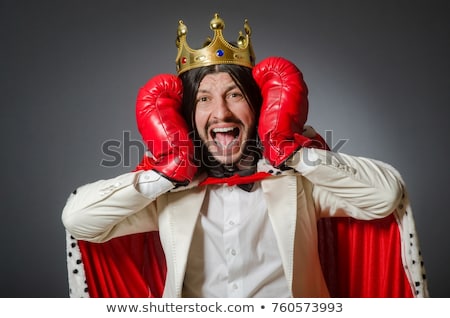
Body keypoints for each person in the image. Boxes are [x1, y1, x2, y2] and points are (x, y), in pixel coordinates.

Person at [62, 13, 428, 298]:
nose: (220, 113)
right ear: (188, 115)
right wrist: (167, 173)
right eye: (204, 99)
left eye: (234, 94)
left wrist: (292, 151)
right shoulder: (168, 195)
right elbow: (79, 219)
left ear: (258, 107)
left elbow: (385, 196)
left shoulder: (299, 184)